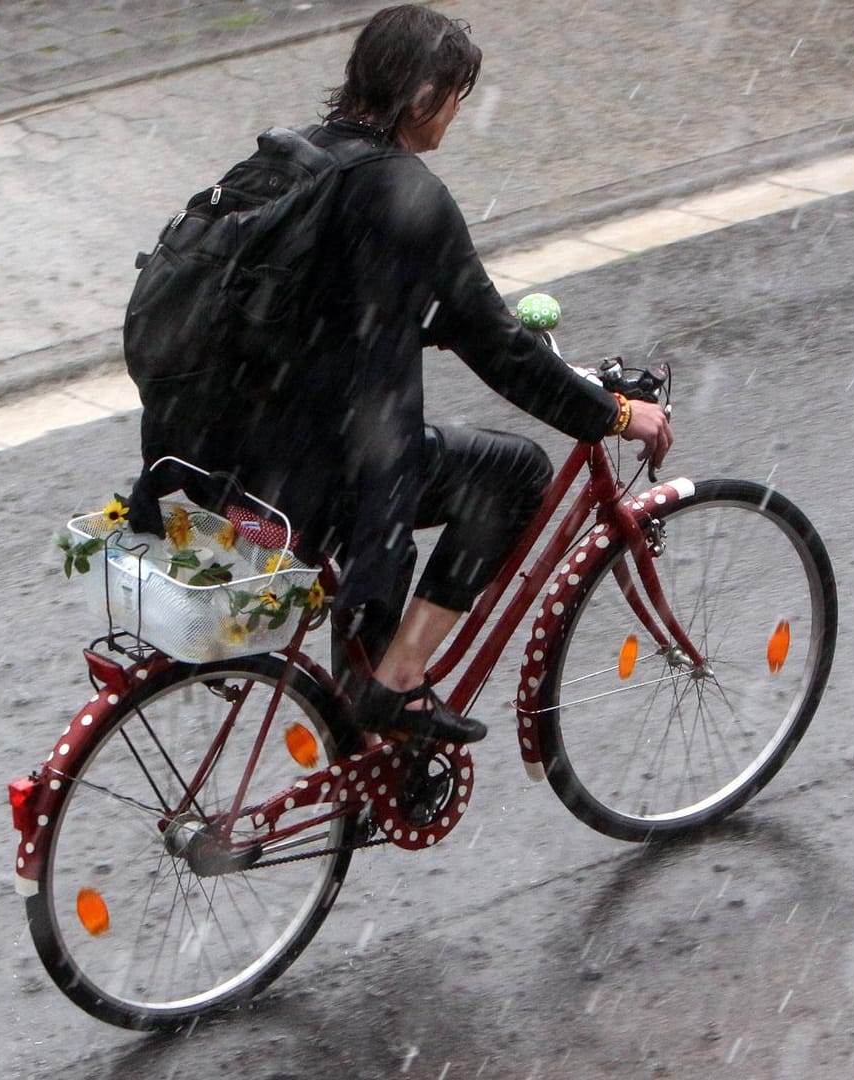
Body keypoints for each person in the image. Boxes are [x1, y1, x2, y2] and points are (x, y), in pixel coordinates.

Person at [176, 5, 671, 743]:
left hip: (225, 459)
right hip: (322, 468)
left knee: (395, 461)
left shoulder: (292, 158)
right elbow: (498, 345)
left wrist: (412, 320)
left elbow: (323, 298)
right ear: (423, 97)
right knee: (515, 474)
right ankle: (395, 680)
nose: (457, 114)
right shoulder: (407, 194)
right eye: (455, 96)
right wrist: (615, 414)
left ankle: (359, 672)